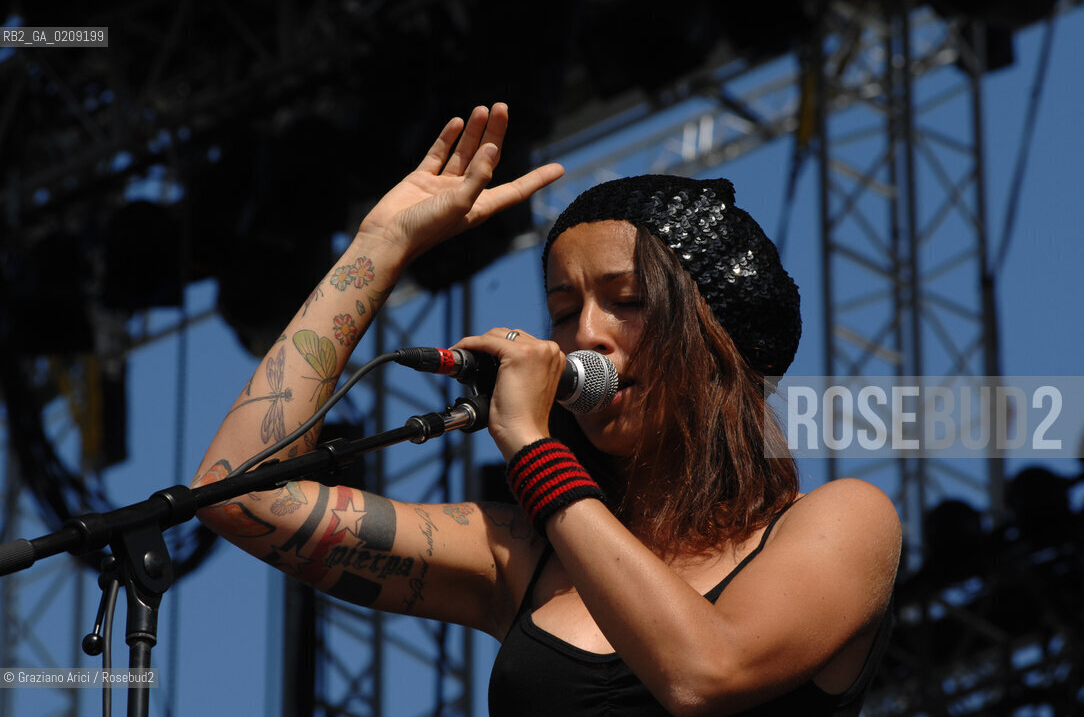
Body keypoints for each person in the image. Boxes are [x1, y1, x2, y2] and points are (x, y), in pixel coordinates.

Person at [193, 103, 901, 716]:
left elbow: (704, 672)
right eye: (564, 311)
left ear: (715, 337)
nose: (583, 336)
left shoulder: (842, 522)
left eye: (626, 302)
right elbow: (241, 496)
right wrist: (381, 248)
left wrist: (535, 450)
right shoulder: (521, 556)